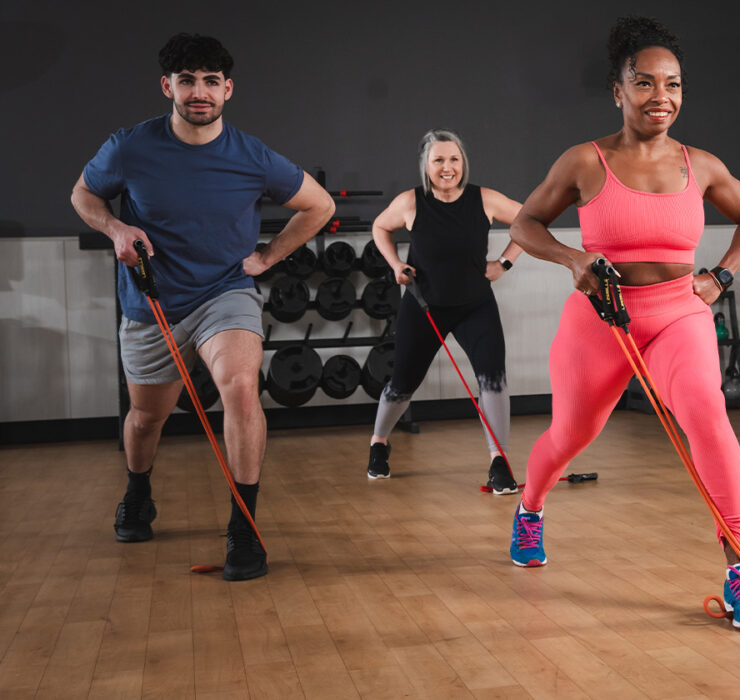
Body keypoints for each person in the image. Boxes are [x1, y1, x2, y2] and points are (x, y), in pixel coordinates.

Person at [505, 16, 740, 631]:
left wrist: (722, 275)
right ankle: (530, 506)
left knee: (707, 416)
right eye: (646, 83)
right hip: (603, 318)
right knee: (572, 434)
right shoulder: (585, 160)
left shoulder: (700, 164)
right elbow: (525, 224)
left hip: (680, 312)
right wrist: (573, 258)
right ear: (618, 90)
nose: (662, 97)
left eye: (674, 84)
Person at [70, 33, 335, 580]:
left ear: (228, 89)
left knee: (241, 387)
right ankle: (138, 492)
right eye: (187, 80)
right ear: (167, 85)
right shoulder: (129, 146)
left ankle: (244, 526)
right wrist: (116, 228)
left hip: (225, 293)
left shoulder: (251, 155)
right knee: (146, 420)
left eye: (211, 81)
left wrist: (266, 258)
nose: (199, 92)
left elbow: (319, 205)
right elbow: (83, 195)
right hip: (154, 302)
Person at [366, 129, 525, 494]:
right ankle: (378, 442)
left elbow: (529, 222)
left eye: (454, 159)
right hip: (424, 307)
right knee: (403, 383)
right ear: (426, 164)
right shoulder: (411, 202)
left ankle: (499, 461)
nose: (447, 167)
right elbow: (379, 227)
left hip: (475, 306)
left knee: (493, 379)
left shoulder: (484, 199)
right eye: (439, 160)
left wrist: (504, 263)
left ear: (462, 162)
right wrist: (395, 264)